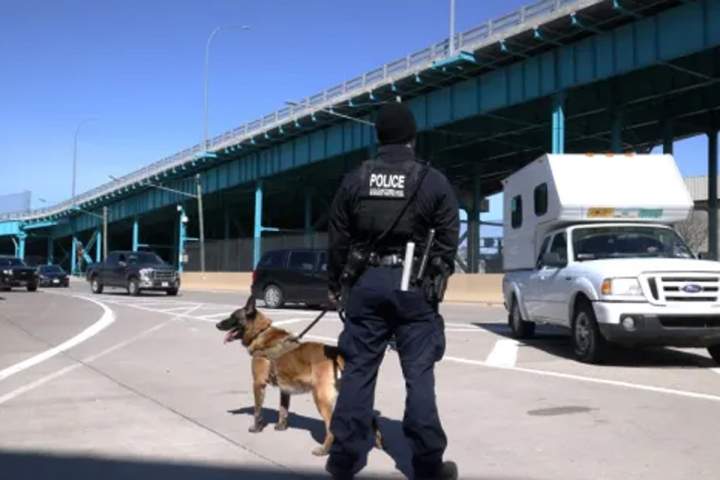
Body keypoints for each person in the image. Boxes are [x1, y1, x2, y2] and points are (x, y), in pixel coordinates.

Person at [326, 102, 460, 480]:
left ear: (379, 138)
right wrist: (436, 276)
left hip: (367, 282)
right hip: (414, 285)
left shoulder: (356, 179)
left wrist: (337, 284)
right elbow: (449, 236)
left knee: (358, 370)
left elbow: (338, 238)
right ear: (412, 138)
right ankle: (428, 463)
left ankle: (343, 459)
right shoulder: (431, 180)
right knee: (419, 373)